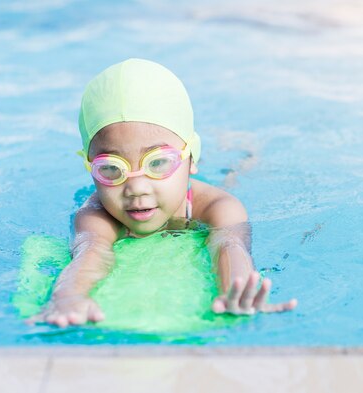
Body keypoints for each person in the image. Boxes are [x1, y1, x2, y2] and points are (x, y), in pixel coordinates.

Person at [28, 58, 297, 327]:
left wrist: (235, 290)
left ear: (191, 159)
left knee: (236, 173)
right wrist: (68, 296)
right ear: (90, 167)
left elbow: (229, 245)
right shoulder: (95, 214)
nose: (136, 188)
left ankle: (242, 149)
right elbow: (91, 251)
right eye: (111, 168)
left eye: (157, 163)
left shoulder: (218, 206)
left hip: (197, 197)